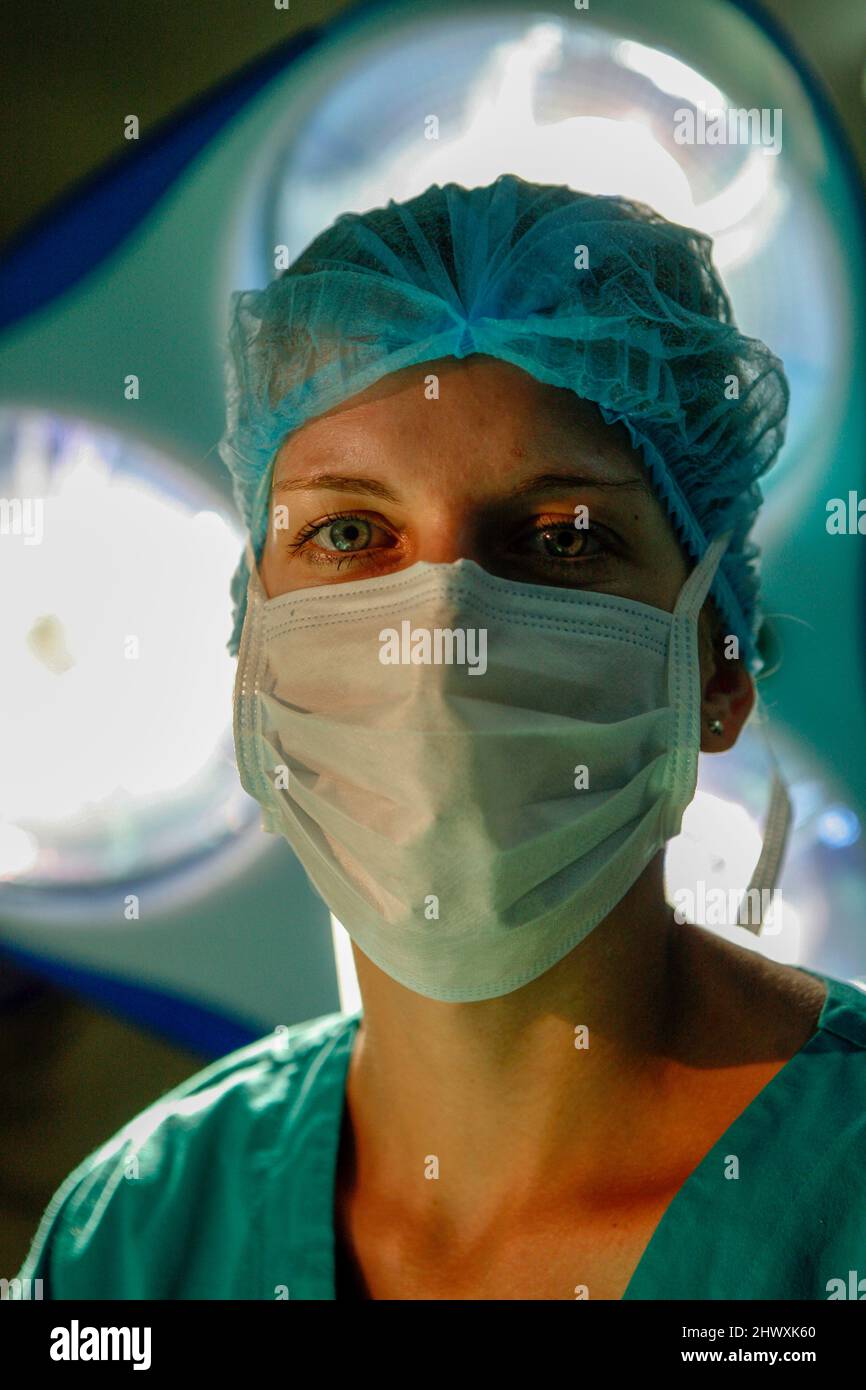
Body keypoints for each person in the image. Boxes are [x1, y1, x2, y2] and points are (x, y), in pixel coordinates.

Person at [9, 175, 866, 1301]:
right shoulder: (145, 1233)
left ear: (716, 666)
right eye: (351, 530)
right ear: (250, 657)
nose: (442, 627)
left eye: (559, 536)